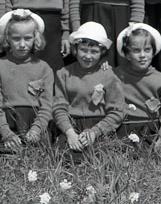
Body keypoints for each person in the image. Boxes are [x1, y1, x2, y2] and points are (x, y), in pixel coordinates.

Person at [53, 22, 125, 152]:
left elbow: (117, 111)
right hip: (71, 125)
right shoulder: (63, 73)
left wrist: (95, 132)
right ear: (75, 49)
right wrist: (70, 133)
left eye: (94, 52)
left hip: (100, 127)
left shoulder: (110, 75)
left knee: (101, 155)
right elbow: (59, 108)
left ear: (102, 52)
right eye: (83, 50)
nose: (88, 56)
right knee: (63, 155)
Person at [0, 10, 54, 149]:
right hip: (7, 122)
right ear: (7, 39)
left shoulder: (44, 68)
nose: (22, 44)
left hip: (35, 122)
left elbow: (47, 105)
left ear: (35, 38)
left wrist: (36, 129)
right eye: (16, 39)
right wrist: (6, 133)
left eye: (28, 38)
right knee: (3, 154)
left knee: (37, 155)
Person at [115, 23, 161, 152]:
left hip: (151, 130)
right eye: (136, 50)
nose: (142, 55)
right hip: (123, 128)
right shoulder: (116, 75)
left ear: (153, 52)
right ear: (127, 54)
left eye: (147, 50)